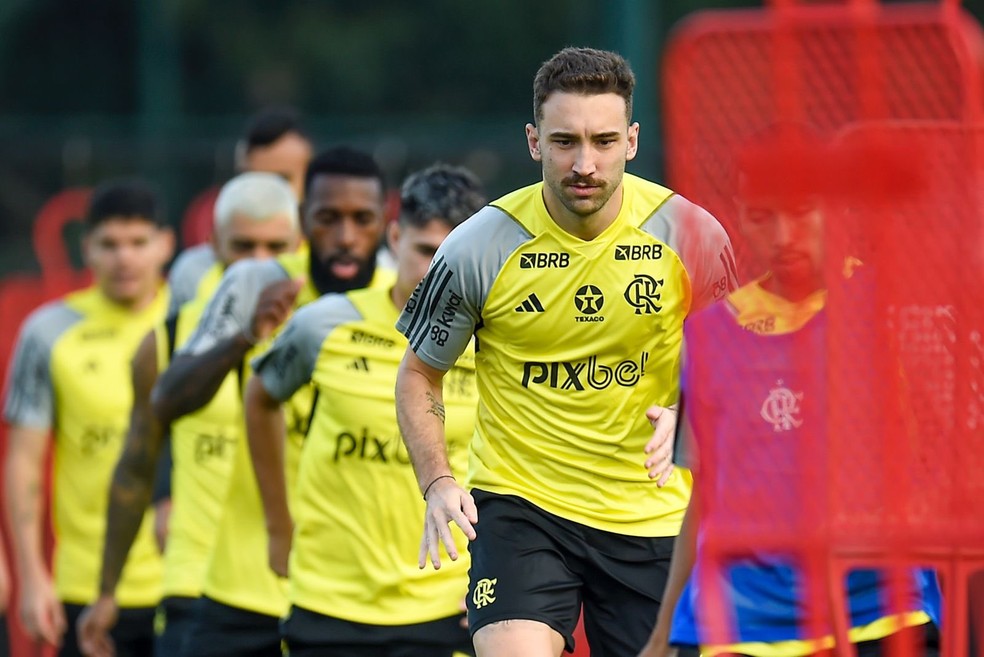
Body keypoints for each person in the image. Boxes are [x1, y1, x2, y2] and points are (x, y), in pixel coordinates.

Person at [394, 47, 737, 657]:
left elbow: (740, 371)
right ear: (532, 141)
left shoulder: (693, 236)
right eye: (564, 142)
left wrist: (691, 414)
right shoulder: (478, 246)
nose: (585, 164)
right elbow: (419, 373)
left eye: (604, 141)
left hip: (650, 513)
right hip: (522, 507)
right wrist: (438, 481)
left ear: (632, 140)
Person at [637, 127, 941, 657]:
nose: (782, 236)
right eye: (761, 217)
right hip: (745, 623)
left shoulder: (893, 311)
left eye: (801, 212)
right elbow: (707, 495)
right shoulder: (709, 336)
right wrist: (663, 634)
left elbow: (942, 461)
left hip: (879, 611)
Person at [153, 146, 392, 657]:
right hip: (247, 585)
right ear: (304, 220)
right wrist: (242, 338)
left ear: (384, 224)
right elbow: (167, 400)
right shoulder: (256, 281)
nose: (346, 237)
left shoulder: (406, 297)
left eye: (362, 219)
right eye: (328, 219)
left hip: (357, 599)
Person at [246, 163, 486, 657]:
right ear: (394, 236)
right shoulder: (324, 325)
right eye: (423, 251)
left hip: (445, 604)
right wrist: (277, 526)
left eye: (450, 257)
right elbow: (260, 397)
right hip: (330, 602)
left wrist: (496, 573)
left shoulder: (494, 345)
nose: (434, 273)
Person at [75, 172, 302, 657]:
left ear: (299, 243)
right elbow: (135, 466)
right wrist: (108, 590)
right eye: (244, 246)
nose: (259, 264)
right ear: (214, 244)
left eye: (275, 246)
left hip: (305, 588)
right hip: (194, 588)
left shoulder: (326, 334)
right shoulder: (168, 340)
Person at [3, 180, 174, 656]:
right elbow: (23, 462)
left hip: (186, 583)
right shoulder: (48, 331)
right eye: (110, 244)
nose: (125, 258)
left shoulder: (195, 322)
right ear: (87, 250)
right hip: (86, 584)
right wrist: (32, 578)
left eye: (138, 243)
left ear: (166, 244)